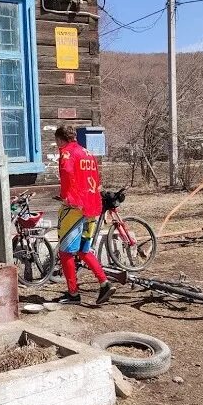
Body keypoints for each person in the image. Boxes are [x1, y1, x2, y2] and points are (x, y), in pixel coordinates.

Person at [53, 125, 116, 305]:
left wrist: (67, 196)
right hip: (91, 207)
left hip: (74, 207)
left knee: (66, 252)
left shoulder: (67, 152)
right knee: (83, 249)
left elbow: (66, 171)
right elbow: (96, 179)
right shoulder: (88, 153)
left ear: (60, 139)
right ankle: (104, 282)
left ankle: (73, 293)